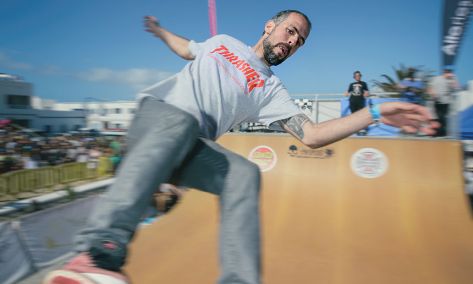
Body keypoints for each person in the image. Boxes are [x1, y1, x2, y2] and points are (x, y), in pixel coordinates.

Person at [44, 10, 438, 284]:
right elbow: (187, 48)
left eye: (299, 41)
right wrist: (161, 31)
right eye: (290, 31)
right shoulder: (223, 42)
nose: (292, 41)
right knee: (182, 120)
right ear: (270, 26)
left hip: (189, 148)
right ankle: (97, 252)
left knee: (244, 175)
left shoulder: (271, 90)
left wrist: (376, 112)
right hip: (159, 119)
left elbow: (313, 135)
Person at [428, 68, 461, 137]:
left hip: (446, 102)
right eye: (447, 72)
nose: (448, 73)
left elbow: (457, 88)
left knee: (443, 118)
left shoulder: (451, 80)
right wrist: (432, 93)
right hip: (436, 101)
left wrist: (453, 79)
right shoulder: (436, 78)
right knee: (437, 117)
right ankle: (437, 132)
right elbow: (429, 87)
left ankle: (442, 133)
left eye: (450, 72)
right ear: (444, 72)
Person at [344, 70, 370, 135]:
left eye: (359, 75)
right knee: (353, 116)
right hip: (352, 101)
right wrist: (346, 93)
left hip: (360, 101)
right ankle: (355, 129)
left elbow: (367, 92)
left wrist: (366, 94)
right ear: (354, 77)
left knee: (361, 115)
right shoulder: (351, 84)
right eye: (356, 76)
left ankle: (362, 129)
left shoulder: (364, 83)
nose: (358, 77)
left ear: (361, 76)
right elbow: (347, 92)